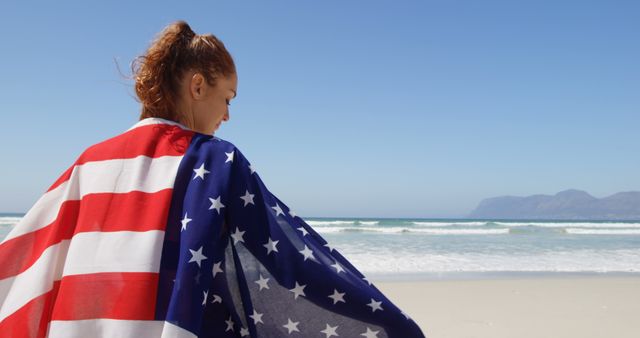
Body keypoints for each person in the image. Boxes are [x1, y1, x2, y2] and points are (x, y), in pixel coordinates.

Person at [0, 20, 427, 338]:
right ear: (198, 86)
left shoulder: (88, 163)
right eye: (227, 97)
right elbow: (293, 260)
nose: (227, 115)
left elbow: (27, 255)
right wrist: (391, 322)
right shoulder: (215, 160)